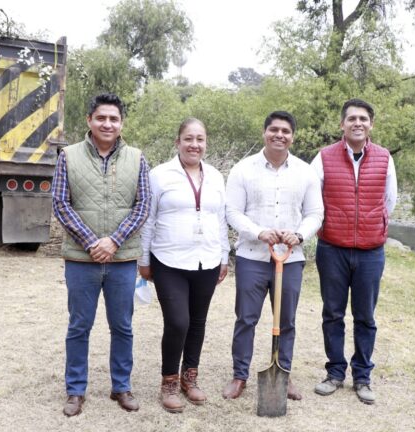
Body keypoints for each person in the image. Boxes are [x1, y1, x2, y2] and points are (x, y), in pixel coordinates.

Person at [52, 93, 150, 416]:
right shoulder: (68, 156)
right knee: (79, 326)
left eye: (114, 119)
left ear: (122, 123)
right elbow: (61, 204)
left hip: (122, 261)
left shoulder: (137, 158)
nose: (108, 124)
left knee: (122, 326)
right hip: (81, 260)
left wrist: (114, 242)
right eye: (101, 118)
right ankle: (75, 390)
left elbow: (143, 206)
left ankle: (121, 386)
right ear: (89, 120)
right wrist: (92, 242)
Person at [222, 111, 324, 401]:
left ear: (293, 136)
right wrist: (259, 232)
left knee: (286, 320)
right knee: (246, 318)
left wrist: (299, 235)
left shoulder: (305, 172)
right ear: (264, 132)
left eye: (285, 131)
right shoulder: (243, 169)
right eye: (274, 130)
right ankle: (239, 375)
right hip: (252, 257)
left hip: (290, 259)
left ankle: (283, 373)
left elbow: (315, 213)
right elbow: (233, 212)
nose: (279, 135)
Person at [138, 118, 230, 413]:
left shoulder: (215, 176)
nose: (194, 144)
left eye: (200, 139)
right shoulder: (159, 175)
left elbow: (221, 219)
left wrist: (224, 256)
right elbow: (148, 219)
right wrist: (143, 259)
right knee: (178, 321)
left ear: (206, 143)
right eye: (188, 138)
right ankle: (169, 382)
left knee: (198, 321)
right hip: (169, 260)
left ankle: (190, 377)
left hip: (207, 259)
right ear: (177, 142)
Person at [310, 98, 397, 405]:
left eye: (363, 118)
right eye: (352, 119)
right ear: (342, 124)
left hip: (371, 252)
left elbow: (390, 200)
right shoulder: (323, 157)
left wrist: (373, 227)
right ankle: (335, 372)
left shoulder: (385, 158)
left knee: (365, 316)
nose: (357, 123)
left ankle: (362, 376)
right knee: (332, 314)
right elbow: (312, 199)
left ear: (370, 124)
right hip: (332, 248)